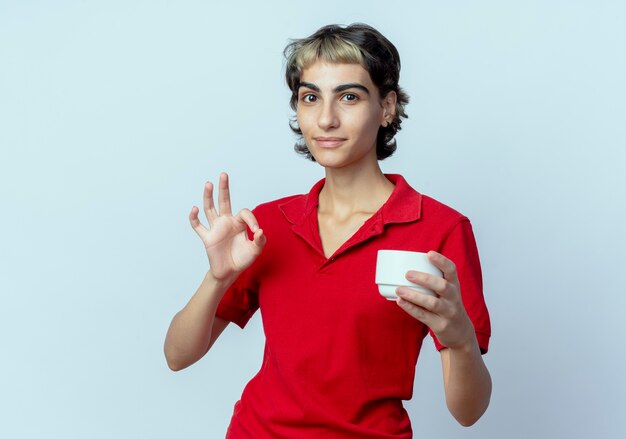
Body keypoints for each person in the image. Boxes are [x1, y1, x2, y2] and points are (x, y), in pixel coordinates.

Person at [164, 23, 492, 438]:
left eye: (349, 97)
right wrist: (217, 278)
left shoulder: (441, 229)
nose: (326, 118)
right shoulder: (267, 225)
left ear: (387, 107)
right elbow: (177, 356)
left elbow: (469, 412)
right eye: (310, 97)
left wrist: (461, 340)